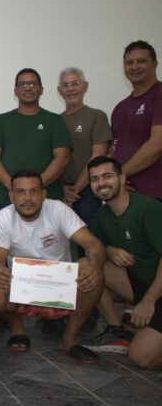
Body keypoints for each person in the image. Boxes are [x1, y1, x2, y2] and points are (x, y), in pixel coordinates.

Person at [0, 169, 106, 364]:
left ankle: (69, 339)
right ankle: (16, 327)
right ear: (11, 196)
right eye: (20, 192)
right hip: (22, 288)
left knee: (90, 269)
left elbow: (93, 244)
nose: (27, 198)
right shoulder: (4, 217)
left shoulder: (58, 209)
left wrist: (95, 265)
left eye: (34, 191)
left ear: (44, 194)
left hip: (58, 286)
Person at [87, 156, 162, 368]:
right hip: (143, 282)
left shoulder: (147, 209)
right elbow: (94, 246)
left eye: (107, 176)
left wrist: (148, 302)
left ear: (122, 178)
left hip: (156, 290)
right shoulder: (103, 214)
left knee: (141, 356)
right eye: (95, 179)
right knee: (89, 266)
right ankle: (116, 330)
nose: (101, 183)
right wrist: (109, 250)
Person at [0, 68, 73, 210]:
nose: (28, 88)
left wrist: (35, 188)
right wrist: (15, 188)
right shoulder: (1, 121)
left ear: (41, 89)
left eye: (32, 84)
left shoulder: (55, 120)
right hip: (9, 199)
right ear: (15, 91)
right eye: (22, 85)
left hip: (48, 199)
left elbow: (63, 158)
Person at [58, 67, 113, 227]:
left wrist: (75, 190)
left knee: (90, 236)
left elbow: (98, 155)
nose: (70, 89)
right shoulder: (55, 121)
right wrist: (63, 189)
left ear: (85, 86)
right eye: (65, 85)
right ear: (59, 91)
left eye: (75, 83)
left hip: (88, 192)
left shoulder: (96, 116)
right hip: (61, 191)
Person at [111, 40, 162, 200]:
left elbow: (157, 144)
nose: (134, 67)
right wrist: (115, 179)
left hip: (156, 194)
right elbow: (114, 150)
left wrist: (120, 175)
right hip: (127, 195)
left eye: (141, 61)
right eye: (129, 63)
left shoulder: (159, 95)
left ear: (155, 64)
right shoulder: (120, 108)